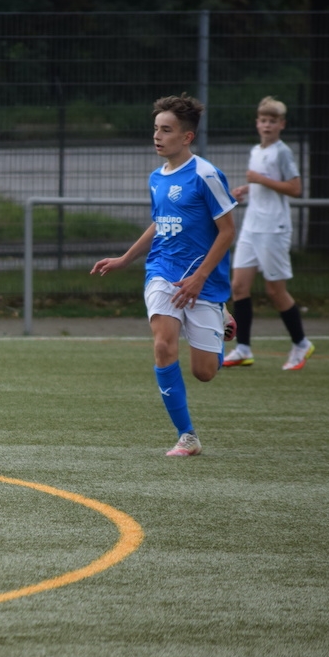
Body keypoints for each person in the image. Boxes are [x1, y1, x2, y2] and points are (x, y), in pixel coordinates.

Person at [90, 94, 236, 457]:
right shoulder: (156, 177)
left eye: (166, 130)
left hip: (202, 281)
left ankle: (219, 313)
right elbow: (160, 223)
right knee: (162, 345)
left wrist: (200, 277)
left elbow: (227, 231)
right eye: (156, 128)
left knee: (204, 372)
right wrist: (126, 258)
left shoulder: (206, 175)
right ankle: (187, 436)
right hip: (162, 271)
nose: (157, 136)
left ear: (186, 137)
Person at [223, 96, 313, 371]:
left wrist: (260, 180)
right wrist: (247, 189)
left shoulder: (282, 152)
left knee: (275, 290)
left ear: (281, 124)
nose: (267, 125)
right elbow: (263, 184)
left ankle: (301, 343)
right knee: (239, 286)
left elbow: (295, 188)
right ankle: (243, 348)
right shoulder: (256, 151)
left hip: (274, 228)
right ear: (257, 123)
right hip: (252, 226)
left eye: (272, 121)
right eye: (263, 120)